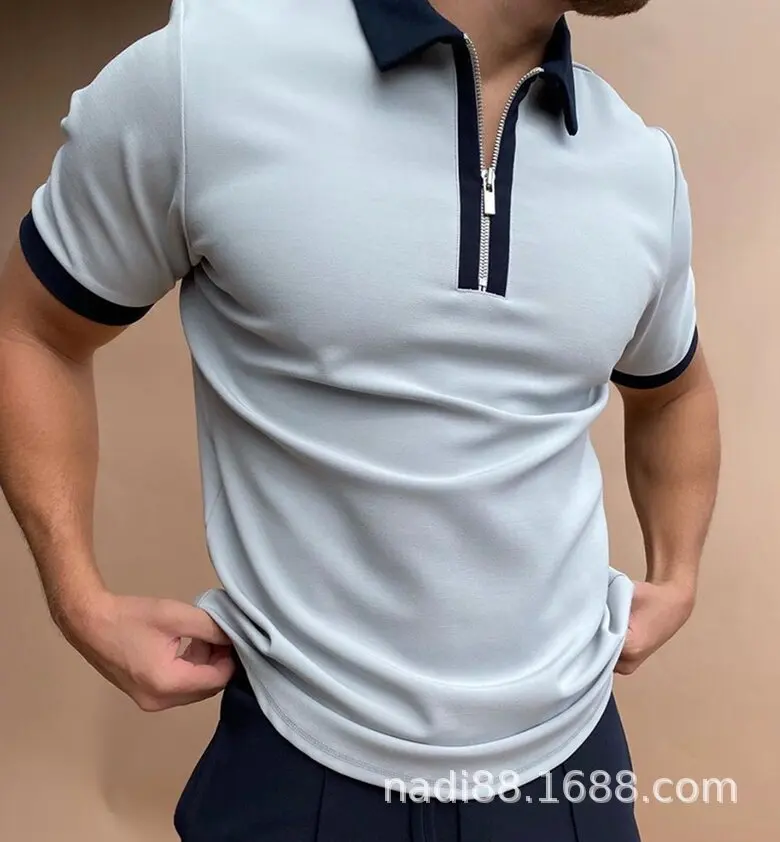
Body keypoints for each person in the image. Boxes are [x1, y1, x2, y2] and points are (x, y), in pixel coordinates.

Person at [0, 0, 720, 839]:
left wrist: (678, 575)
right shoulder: (206, 78)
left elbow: (675, 392)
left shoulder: (639, 166)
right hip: (300, 764)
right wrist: (79, 601)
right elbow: (31, 332)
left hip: (569, 771)